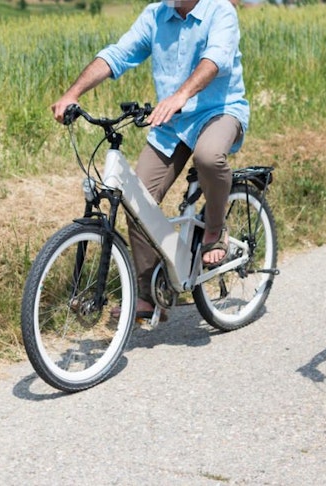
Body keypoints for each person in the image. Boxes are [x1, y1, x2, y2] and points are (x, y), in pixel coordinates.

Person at [50, 0, 250, 319]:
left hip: (218, 112)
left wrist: (181, 95)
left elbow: (216, 60)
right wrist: (73, 93)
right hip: (171, 123)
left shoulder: (220, 10)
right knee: (135, 195)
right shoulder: (156, 15)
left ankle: (215, 230)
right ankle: (150, 294)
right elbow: (118, 54)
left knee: (208, 157)